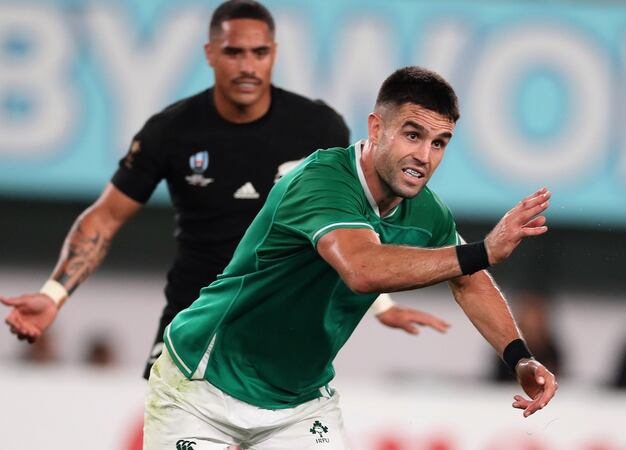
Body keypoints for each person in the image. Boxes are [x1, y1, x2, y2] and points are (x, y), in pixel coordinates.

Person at [0, 0, 448, 378]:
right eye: (234, 52)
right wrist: (55, 293)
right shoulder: (171, 130)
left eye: (259, 52)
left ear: (274, 53)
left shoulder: (317, 126)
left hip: (279, 330)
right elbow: (105, 216)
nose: (248, 66)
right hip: (191, 322)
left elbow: (350, 224)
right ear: (210, 53)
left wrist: (381, 303)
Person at [144, 66, 558, 449]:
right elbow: (363, 268)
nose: (425, 156)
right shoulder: (321, 181)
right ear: (376, 128)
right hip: (203, 385)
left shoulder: (426, 212)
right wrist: (484, 250)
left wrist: (519, 356)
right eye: (412, 135)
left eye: (439, 143)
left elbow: (469, 280)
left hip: (299, 404)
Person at [492, 290, 563, 382]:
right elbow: (500, 380)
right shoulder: (509, 346)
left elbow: (557, 377)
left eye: (536, 314)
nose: (532, 321)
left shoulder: (551, 349)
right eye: (530, 314)